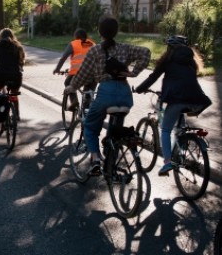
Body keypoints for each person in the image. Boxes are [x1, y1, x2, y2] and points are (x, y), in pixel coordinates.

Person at [64, 16, 151, 175]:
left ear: (100, 31)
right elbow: (146, 52)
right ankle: (112, 159)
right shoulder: (125, 48)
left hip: (106, 92)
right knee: (116, 129)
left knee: (90, 126)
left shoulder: (95, 51)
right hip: (125, 95)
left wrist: (71, 87)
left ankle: (96, 160)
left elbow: (83, 74)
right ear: (116, 31)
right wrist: (133, 73)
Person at [134, 35, 212, 175]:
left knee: (165, 129)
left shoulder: (168, 60)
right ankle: (181, 147)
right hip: (196, 100)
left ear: (170, 48)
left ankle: (167, 163)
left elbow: (153, 77)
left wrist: (139, 88)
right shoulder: (191, 61)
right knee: (180, 126)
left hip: (177, 99)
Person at [0, 28, 25, 119]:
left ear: (1, 36)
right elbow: (22, 61)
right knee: (14, 94)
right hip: (16, 75)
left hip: (1, 75)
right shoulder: (18, 46)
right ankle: (17, 114)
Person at [53, 28, 96, 110]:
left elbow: (63, 58)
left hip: (77, 73)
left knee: (67, 83)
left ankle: (74, 102)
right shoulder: (93, 44)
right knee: (88, 96)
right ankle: (86, 114)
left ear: (76, 36)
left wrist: (57, 69)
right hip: (92, 74)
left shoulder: (74, 44)